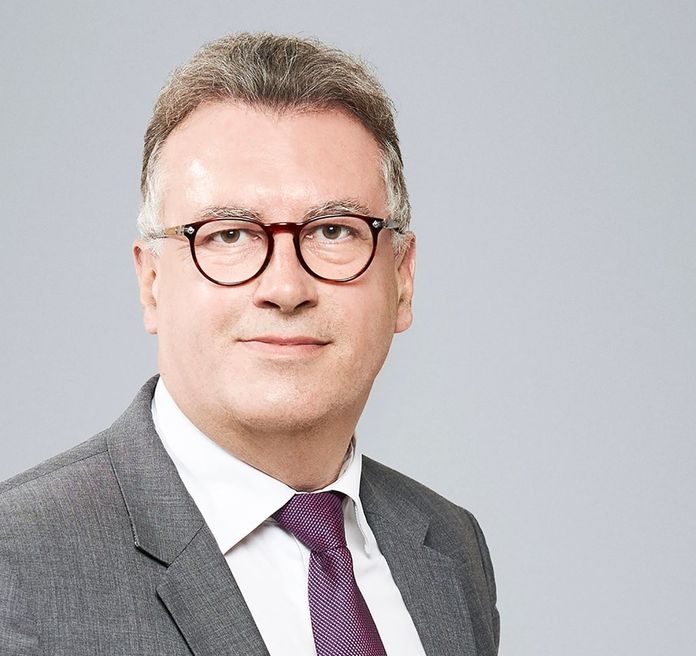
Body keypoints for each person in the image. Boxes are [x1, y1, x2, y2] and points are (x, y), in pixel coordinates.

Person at [0, 33, 499, 655]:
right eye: (229, 235)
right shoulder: (18, 564)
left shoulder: (450, 548)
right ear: (152, 283)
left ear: (401, 279)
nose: (285, 288)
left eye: (334, 231)